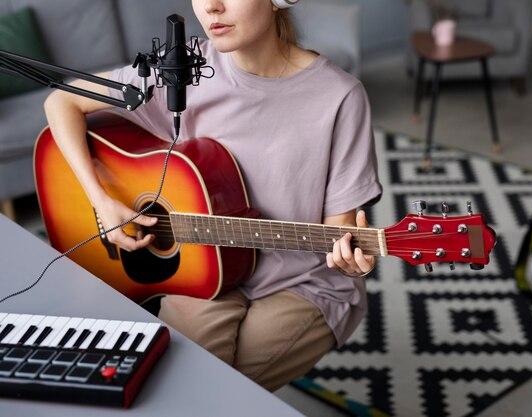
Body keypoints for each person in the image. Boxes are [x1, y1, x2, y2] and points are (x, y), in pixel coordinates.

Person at [44, 0, 382, 391]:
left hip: (302, 281)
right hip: (203, 265)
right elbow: (62, 100)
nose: (211, 7)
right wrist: (102, 201)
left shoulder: (340, 96)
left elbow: (338, 234)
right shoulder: (181, 68)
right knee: (172, 379)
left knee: (201, 387)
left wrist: (351, 262)